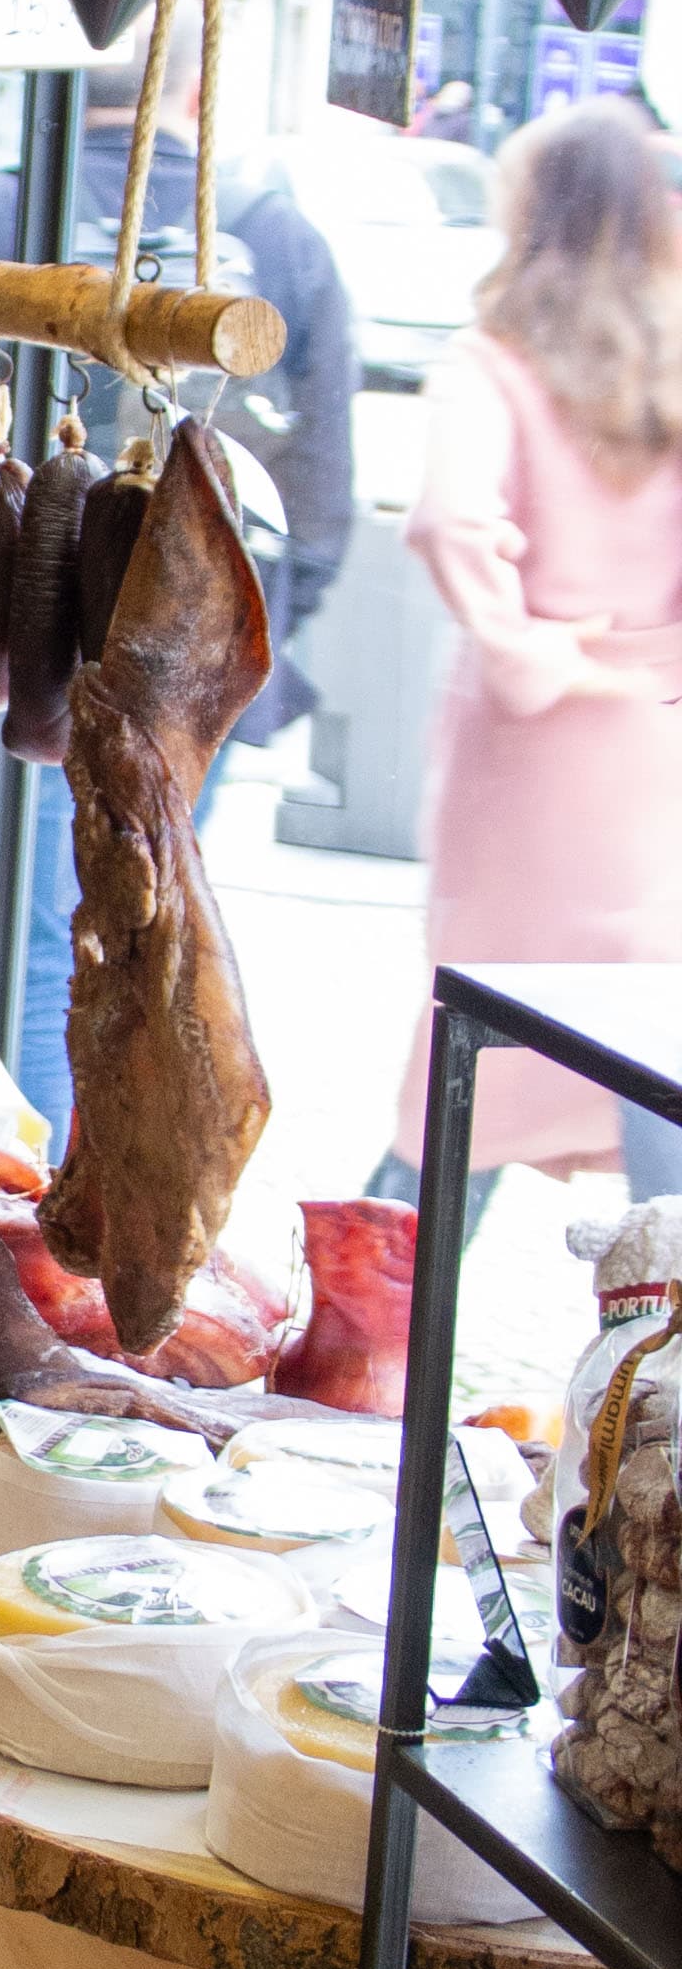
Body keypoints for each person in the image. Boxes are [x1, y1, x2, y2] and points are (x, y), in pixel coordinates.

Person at [0, 11, 356, 1125]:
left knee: (40, 947)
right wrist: (256, 633)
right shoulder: (279, 242)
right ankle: (74, 1206)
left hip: (6, 657)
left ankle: (41, 1205)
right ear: (196, 94)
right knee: (161, 940)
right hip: (194, 660)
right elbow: (320, 475)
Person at [381, 108, 682, 1215]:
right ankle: (668, 1337)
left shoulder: (493, 360)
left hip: (528, 750)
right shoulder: (673, 360)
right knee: (652, 1039)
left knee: (479, 1035)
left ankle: (383, 1335)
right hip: (651, 745)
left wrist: (522, 652)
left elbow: (449, 522)